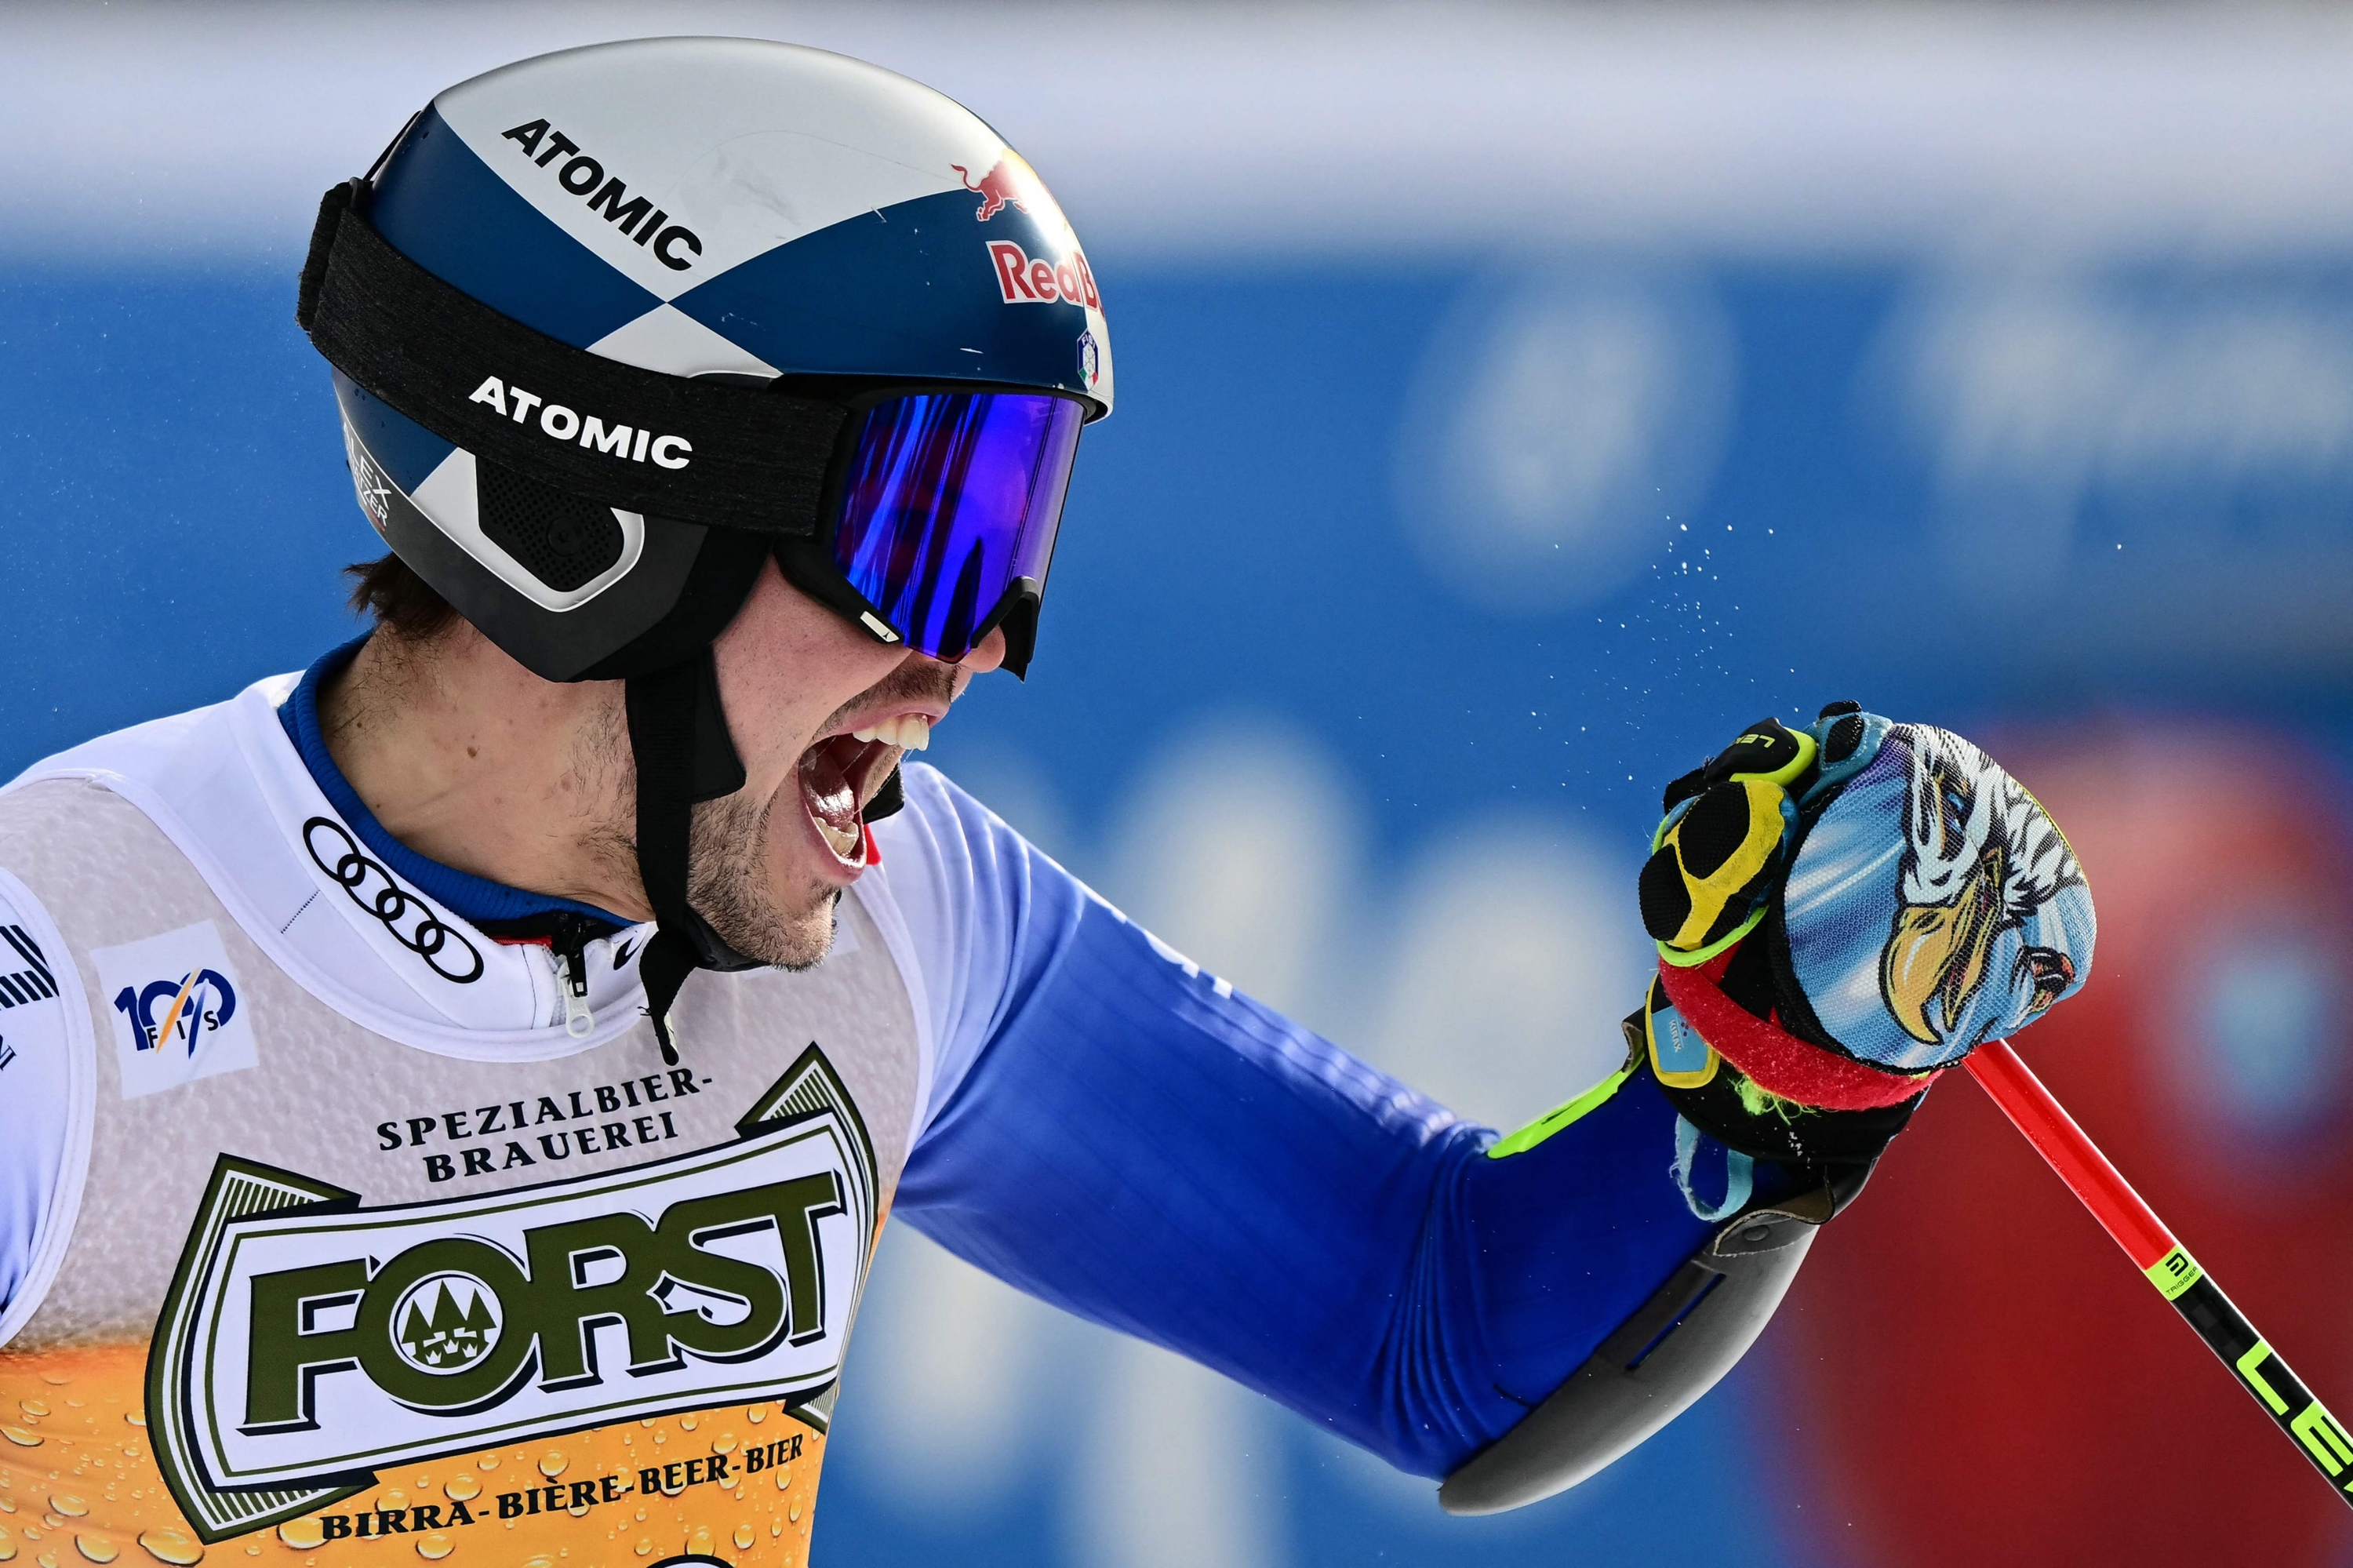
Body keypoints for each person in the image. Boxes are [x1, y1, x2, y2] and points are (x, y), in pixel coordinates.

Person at [0, 37, 2093, 1566]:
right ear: (582, 519)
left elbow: (1442, 1332)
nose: (980, 648)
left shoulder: (903, 923)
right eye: (921, 535)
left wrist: (1778, 1046)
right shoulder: (58, 987)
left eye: (1016, 532)